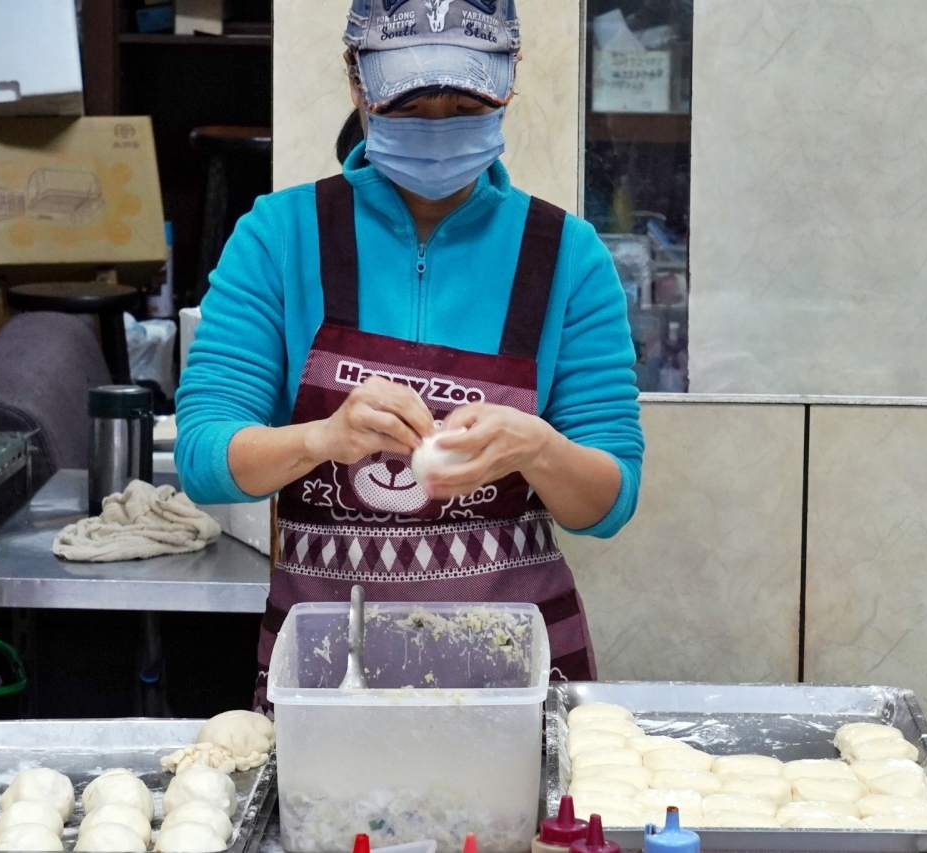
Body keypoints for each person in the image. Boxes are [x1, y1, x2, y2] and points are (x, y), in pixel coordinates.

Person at [176, 0, 644, 705]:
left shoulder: (565, 257)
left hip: (512, 688)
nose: (438, 126)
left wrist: (536, 448)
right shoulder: (280, 237)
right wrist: (322, 437)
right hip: (331, 681)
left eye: (465, 103)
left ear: (508, 86)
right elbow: (206, 458)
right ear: (358, 86)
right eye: (411, 102)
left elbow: (608, 500)